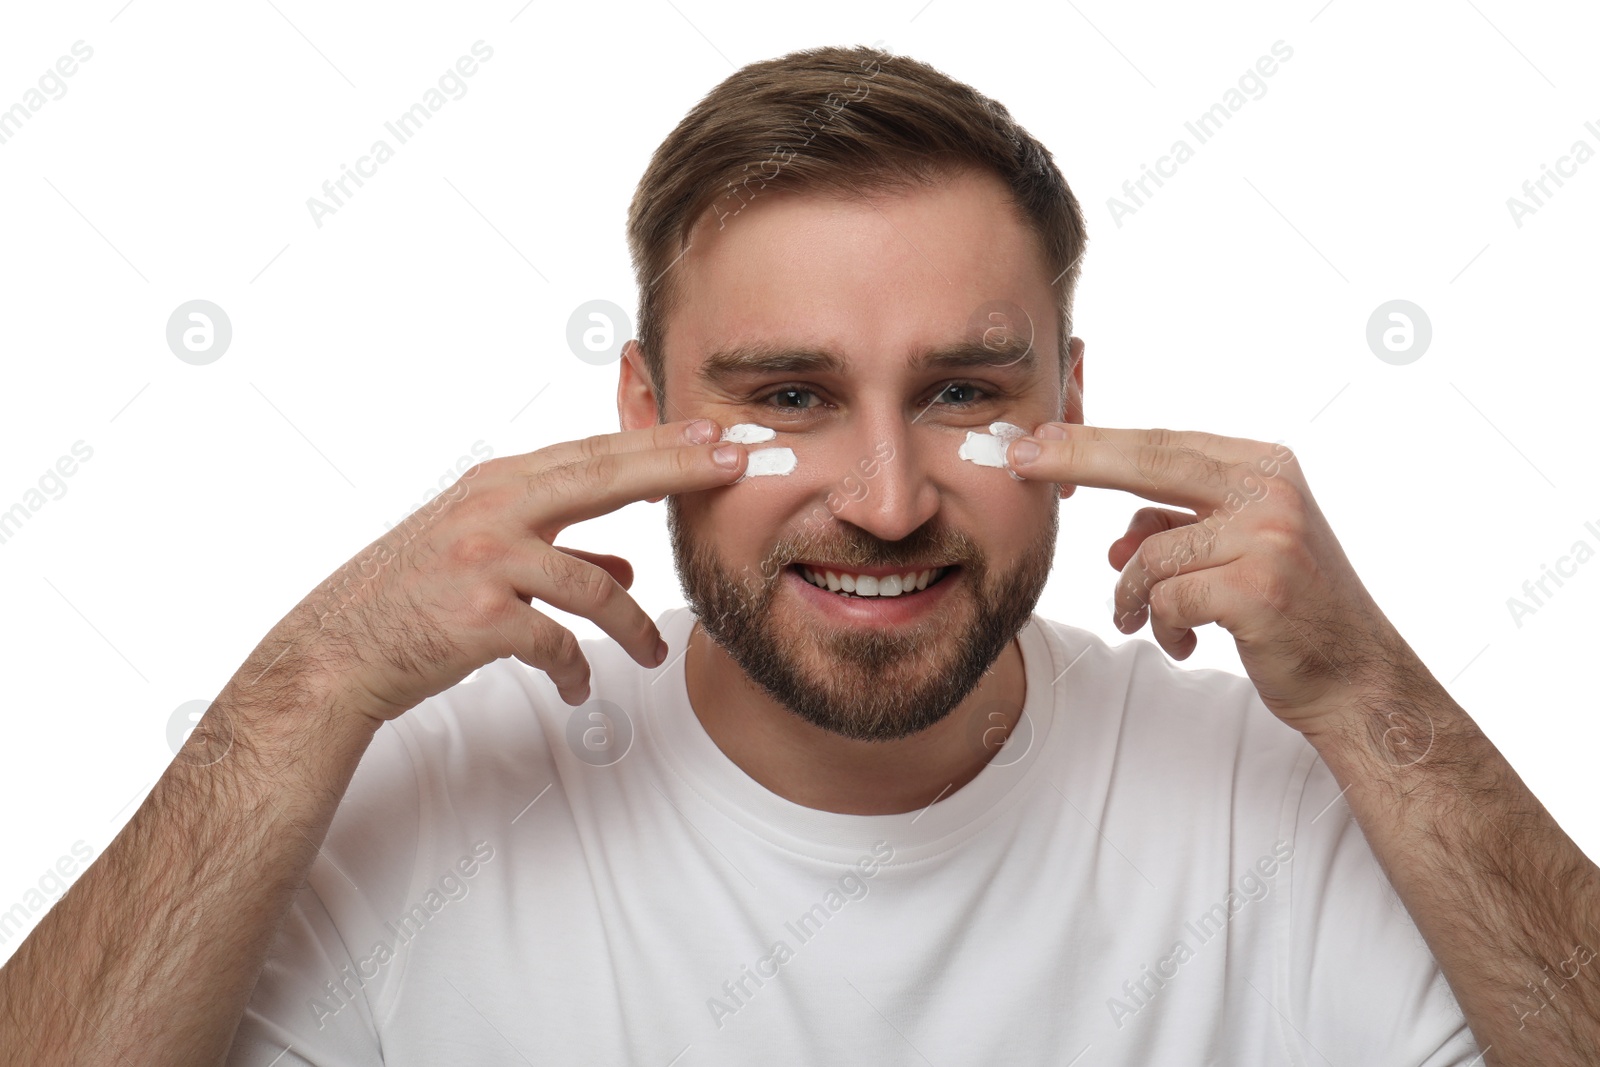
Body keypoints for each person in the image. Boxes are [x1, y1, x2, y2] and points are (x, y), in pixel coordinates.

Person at [3, 43, 1596, 1066]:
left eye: (967, 393)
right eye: (789, 398)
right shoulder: (418, 804)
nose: (888, 498)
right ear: (642, 410)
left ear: (1075, 399)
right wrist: (305, 687)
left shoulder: (1282, 792)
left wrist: (1378, 693)